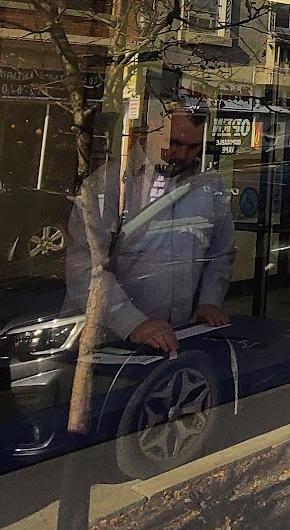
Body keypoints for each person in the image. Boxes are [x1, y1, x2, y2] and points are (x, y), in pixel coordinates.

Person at [65, 103, 236, 355]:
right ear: (151, 131)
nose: (182, 154)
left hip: (180, 336)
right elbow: (85, 268)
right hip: (112, 341)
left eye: (193, 147)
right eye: (174, 143)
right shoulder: (107, 186)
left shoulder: (208, 184)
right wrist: (133, 323)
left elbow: (220, 252)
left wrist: (209, 301)